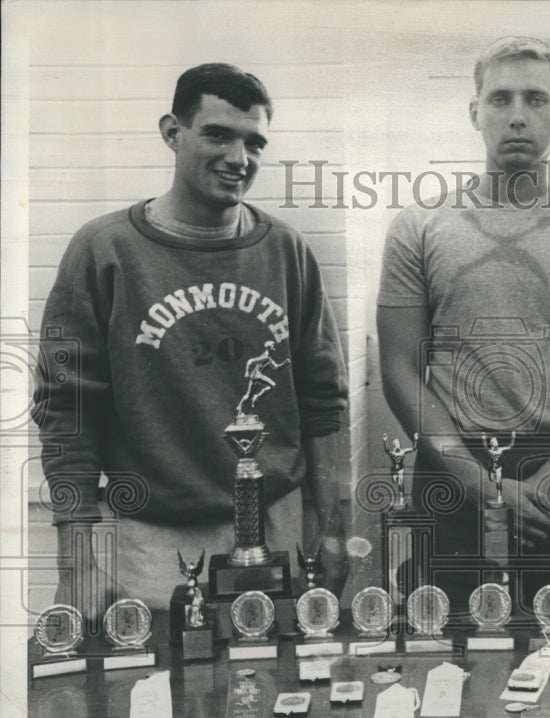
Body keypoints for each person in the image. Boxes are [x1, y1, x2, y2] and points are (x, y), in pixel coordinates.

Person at [32, 63, 349, 618]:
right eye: (218, 134)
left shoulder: (287, 252)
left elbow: (324, 403)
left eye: (254, 142)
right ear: (172, 132)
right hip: (158, 540)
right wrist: (75, 555)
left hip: (280, 527)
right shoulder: (104, 251)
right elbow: (68, 411)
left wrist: (331, 526)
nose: (239, 158)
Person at [377, 37, 550, 606]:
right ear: (475, 111)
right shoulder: (420, 224)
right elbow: (399, 367)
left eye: (536, 99)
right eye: (500, 99)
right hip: (453, 466)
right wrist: (473, 479)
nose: (518, 116)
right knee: (443, 662)